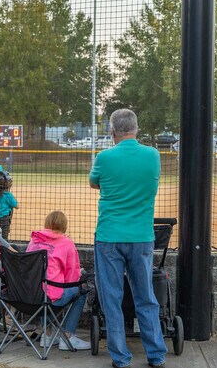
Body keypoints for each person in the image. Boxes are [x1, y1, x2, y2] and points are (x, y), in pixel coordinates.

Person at [89, 108, 167, 368]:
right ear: (137, 130)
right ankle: (156, 354)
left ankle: (120, 358)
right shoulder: (152, 155)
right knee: (145, 296)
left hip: (110, 235)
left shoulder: (104, 157)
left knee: (111, 298)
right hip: (142, 236)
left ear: (112, 131)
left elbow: (94, 182)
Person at [26, 211, 90, 351]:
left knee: (44, 288)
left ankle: (47, 334)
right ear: (64, 226)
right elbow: (72, 278)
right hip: (50, 298)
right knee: (81, 289)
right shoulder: (66, 243)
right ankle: (67, 336)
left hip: (27, 296)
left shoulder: (34, 240)